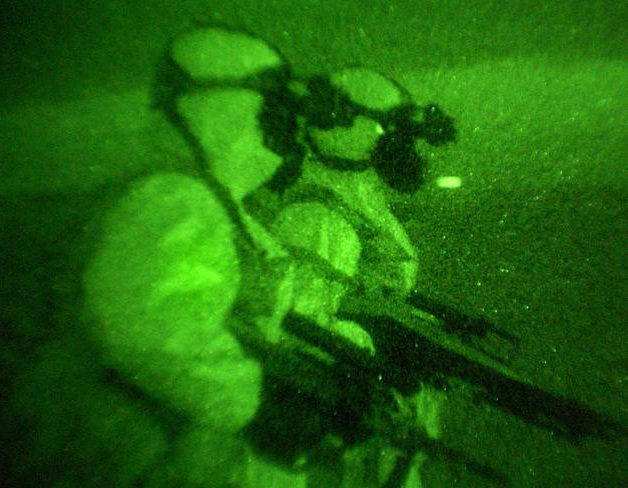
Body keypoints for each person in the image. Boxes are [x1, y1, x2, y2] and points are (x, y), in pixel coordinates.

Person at [154, 23, 457, 487]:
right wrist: (369, 346)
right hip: (269, 436)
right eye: (386, 130)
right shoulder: (319, 217)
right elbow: (297, 327)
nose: (402, 149)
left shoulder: (354, 207)